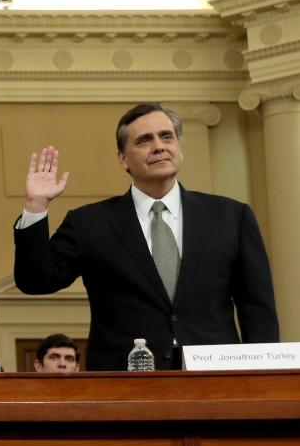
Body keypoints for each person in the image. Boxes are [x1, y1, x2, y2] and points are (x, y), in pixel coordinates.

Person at [14, 103, 278, 371]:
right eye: (144, 140)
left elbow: (258, 310)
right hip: (123, 387)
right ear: (123, 158)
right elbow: (35, 280)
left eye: (167, 136)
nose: (159, 146)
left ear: (179, 148)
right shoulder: (89, 223)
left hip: (216, 382)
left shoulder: (231, 217)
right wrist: (36, 205)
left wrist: (264, 382)